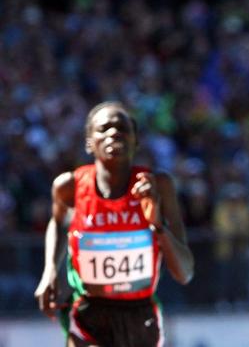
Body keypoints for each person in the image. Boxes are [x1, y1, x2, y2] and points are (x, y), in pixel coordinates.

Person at [34, 101, 194, 346]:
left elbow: (185, 272)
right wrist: (50, 271)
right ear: (89, 142)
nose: (113, 132)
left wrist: (157, 224)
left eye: (122, 127)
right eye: (104, 128)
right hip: (89, 313)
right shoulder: (69, 187)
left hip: (141, 316)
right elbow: (57, 223)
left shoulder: (159, 186)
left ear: (135, 140)